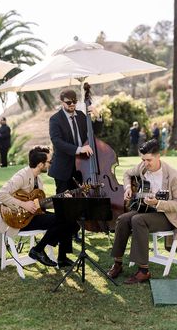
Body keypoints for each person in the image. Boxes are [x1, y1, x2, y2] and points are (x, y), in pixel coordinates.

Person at [107, 139, 177, 284]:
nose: (146, 163)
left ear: (158, 156)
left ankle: (144, 271)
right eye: (143, 160)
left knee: (137, 220)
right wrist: (128, 188)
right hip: (145, 209)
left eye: (149, 160)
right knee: (123, 219)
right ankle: (117, 263)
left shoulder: (174, 177)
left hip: (165, 216)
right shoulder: (143, 167)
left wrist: (158, 202)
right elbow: (127, 174)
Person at [0, 146, 77, 268]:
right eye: (50, 162)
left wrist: (62, 199)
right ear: (40, 164)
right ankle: (38, 250)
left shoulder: (38, 179)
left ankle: (48, 252)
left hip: (33, 216)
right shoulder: (21, 176)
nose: (51, 164)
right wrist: (24, 204)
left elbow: (41, 204)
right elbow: (0, 194)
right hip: (18, 219)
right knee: (61, 219)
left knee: (73, 222)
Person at [48, 88, 102, 242]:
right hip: (63, 167)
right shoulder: (55, 119)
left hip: (81, 166)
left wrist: (97, 116)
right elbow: (57, 142)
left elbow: (94, 133)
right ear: (62, 102)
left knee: (78, 199)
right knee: (64, 202)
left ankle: (74, 231)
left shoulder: (82, 116)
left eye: (74, 102)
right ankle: (62, 233)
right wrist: (79, 149)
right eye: (68, 102)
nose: (72, 105)